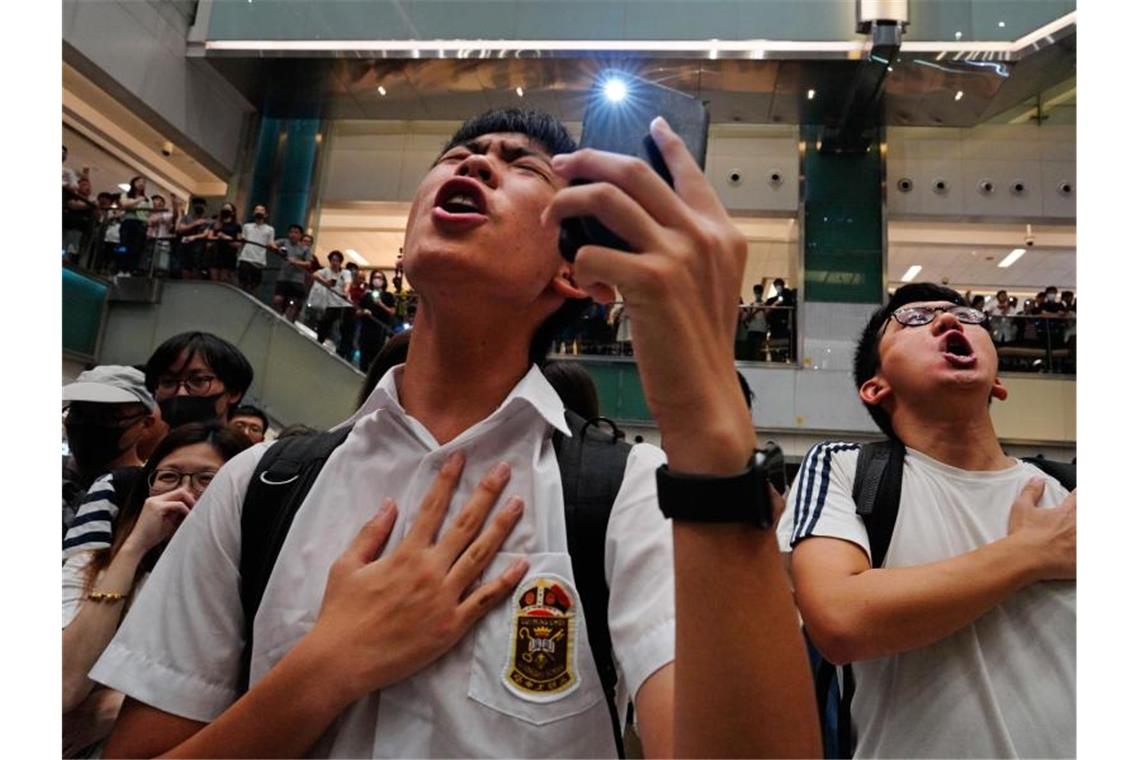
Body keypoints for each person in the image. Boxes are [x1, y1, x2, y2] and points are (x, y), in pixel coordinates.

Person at [96, 109, 817, 758]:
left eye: (521, 164)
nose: (475, 162)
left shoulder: (627, 492)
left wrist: (712, 440)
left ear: (573, 272)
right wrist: (326, 669)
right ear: (406, 246)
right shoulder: (260, 485)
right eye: (460, 154)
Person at [777, 282, 1075, 758]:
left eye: (965, 315)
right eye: (914, 320)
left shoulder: (1071, 493)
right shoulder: (846, 469)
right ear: (876, 387)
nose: (949, 321)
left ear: (999, 382)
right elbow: (839, 620)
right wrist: (1030, 554)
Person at [62, 423, 251, 758]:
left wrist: (119, 703)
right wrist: (133, 548)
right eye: (169, 477)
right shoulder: (90, 565)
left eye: (207, 480)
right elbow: (63, 687)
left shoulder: (246, 586)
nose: (184, 493)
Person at [62, 366, 166, 547]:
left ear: (145, 424)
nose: (88, 425)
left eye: (107, 416)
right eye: (78, 413)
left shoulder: (147, 495)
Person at [144, 331, 255, 429]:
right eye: (168, 382)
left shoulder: (250, 453)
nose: (181, 393)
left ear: (233, 392)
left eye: (198, 380)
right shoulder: (141, 449)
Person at [309, 250, 354, 350]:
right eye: (333, 260)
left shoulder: (346, 273)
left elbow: (348, 283)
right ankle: (320, 342)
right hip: (331, 304)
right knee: (325, 322)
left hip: (344, 304)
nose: (335, 262)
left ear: (340, 262)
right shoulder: (326, 271)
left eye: (337, 260)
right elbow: (315, 275)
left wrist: (345, 292)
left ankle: (340, 347)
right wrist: (325, 282)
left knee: (342, 326)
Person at [357, 270, 397, 373]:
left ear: (384, 281)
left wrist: (381, 304)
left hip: (380, 330)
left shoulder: (388, 296)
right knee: (364, 355)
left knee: (376, 356)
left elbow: (392, 312)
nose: (377, 280)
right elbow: (357, 311)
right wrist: (364, 312)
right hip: (366, 329)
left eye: (380, 278)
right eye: (375, 277)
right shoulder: (366, 295)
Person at [271, 224, 313, 321]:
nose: (293, 234)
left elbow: (308, 263)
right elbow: (271, 244)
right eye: (291, 232)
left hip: (297, 280)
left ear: (300, 235)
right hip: (283, 277)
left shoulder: (305, 248)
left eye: (296, 232)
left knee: (293, 302)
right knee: (278, 299)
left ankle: (289, 321)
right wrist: (279, 250)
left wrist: (296, 261)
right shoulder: (284, 242)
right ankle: (275, 317)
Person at [237, 203, 276, 295]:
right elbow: (243, 239)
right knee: (242, 283)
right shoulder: (247, 226)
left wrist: (276, 248)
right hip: (245, 257)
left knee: (254, 285)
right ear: (253, 213)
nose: (259, 212)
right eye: (256, 210)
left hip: (258, 260)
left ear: (266, 214)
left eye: (261, 210)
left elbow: (271, 242)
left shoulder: (269, 229)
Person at [116, 176, 151, 275]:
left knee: (136, 248)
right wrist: (138, 200)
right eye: (139, 181)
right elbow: (125, 205)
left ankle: (130, 270)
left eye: (143, 182)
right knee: (124, 245)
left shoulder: (147, 199)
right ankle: (120, 269)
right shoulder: (125, 195)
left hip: (141, 224)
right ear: (133, 183)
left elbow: (149, 213)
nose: (141, 183)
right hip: (128, 222)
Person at [174, 197, 212, 279]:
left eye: (201, 205)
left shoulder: (207, 220)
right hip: (186, 246)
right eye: (197, 204)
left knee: (196, 268)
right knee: (185, 267)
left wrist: (194, 237)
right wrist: (195, 224)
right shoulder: (187, 218)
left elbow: (206, 233)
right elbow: (180, 229)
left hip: (199, 247)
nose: (199, 206)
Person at [206, 202, 242, 284]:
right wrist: (218, 237)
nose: (225, 211)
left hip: (228, 255)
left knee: (224, 280)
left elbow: (238, 243)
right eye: (224, 209)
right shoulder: (215, 224)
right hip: (215, 253)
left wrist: (226, 238)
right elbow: (209, 237)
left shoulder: (237, 226)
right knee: (213, 279)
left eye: (228, 209)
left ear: (233, 212)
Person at [63, 176, 97, 265]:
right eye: (84, 185)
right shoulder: (72, 196)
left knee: (75, 249)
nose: (87, 187)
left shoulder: (90, 200)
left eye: (89, 186)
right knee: (66, 246)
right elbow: (73, 205)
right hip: (70, 225)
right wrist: (90, 205)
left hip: (83, 229)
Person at [764, 277, 796, 362]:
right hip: (774, 328)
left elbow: (792, 310)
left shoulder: (788, 300)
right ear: (774, 286)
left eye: (780, 285)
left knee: (783, 353)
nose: (779, 287)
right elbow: (766, 312)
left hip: (784, 330)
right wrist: (775, 304)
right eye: (777, 285)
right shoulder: (771, 300)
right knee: (773, 353)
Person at [145, 195, 174, 275]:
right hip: (150, 238)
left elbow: (152, 221)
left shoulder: (167, 214)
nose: (157, 203)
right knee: (148, 259)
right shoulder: (147, 213)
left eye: (159, 201)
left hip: (162, 238)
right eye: (155, 201)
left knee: (161, 262)